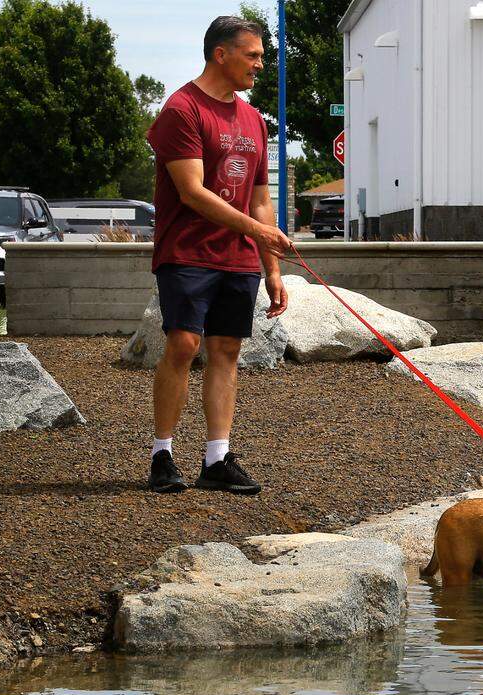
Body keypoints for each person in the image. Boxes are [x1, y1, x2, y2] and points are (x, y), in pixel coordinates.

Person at [145, 16, 292, 495]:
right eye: (252, 55)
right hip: (187, 251)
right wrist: (257, 230)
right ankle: (162, 454)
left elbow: (260, 198)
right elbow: (191, 191)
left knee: (226, 351)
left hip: (238, 258)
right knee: (184, 345)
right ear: (220, 54)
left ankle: (216, 459)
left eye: (261, 56)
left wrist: (271, 266)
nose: (259, 65)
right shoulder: (181, 110)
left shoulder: (253, 120)